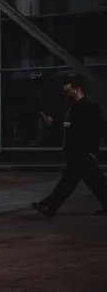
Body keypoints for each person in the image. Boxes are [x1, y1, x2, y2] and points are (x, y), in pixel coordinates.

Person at [33, 77, 107, 217]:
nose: (65, 94)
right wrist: (54, 123)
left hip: (83, 152)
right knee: (96, 181)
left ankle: (49, 206)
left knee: (69, 181)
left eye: (67, 91)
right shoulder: (71, 108)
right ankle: (49, 207)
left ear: (77, 89)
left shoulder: (90, 108)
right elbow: (67, 127)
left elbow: (97, 129)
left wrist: (92, 151)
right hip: (77, 152)